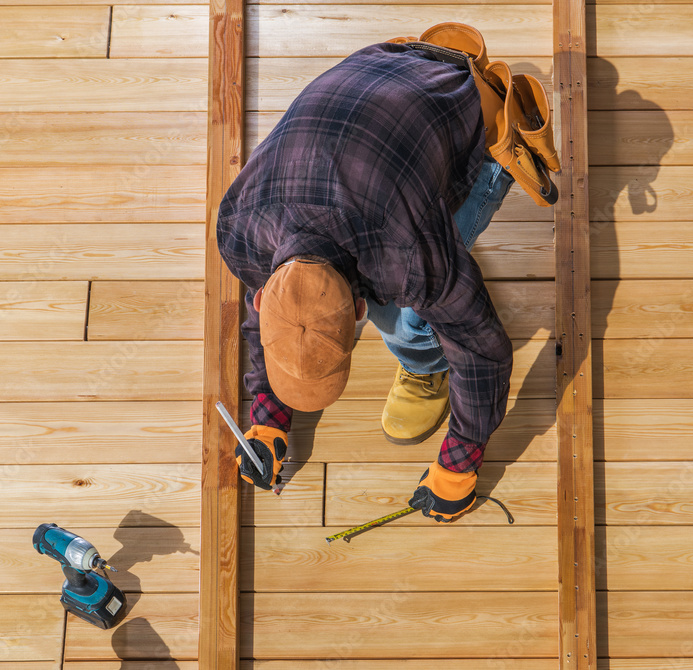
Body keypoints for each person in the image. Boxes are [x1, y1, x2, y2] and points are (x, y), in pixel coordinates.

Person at [216, 40, 524, 523]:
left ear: (359, 310)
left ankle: (425, 369)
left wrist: (460, 462)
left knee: (407, 322)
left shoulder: (404, 254)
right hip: (378, 66)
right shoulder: (239, 231)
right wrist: (266, 415)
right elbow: (272, 316)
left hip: (467, 105)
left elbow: (482, 347)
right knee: (418, 277)